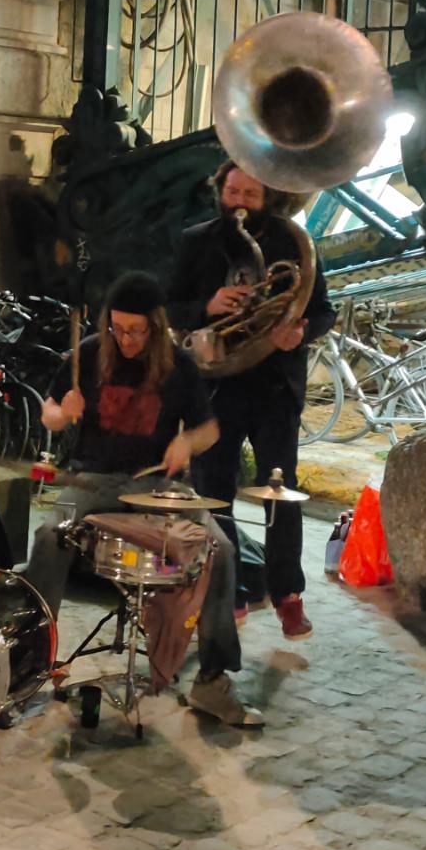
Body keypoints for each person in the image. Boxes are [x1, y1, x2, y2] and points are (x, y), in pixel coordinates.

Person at [20, 271, 262, 727]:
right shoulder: (90, 352)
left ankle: (212, 682)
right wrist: (61, 413)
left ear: (154, 325)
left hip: (155, 487)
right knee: (49, 536)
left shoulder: (178, 365)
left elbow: (209, 429)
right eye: (118, 328)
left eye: (135, 330)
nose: (126, 339)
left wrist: (187, 442)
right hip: (93, 481)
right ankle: (29, 662)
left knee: (221, 550)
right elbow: (48, 412)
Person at [167, 159, 333, 639]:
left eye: (250, 195)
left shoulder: (294, 243)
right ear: (219, 190)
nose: (238, 202)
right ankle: (229, 590)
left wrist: (299, 331)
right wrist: (207, 306)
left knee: (281, 493)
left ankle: (288, 596)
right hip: (216, 386)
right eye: (232, 192)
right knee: (212, 492)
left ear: (267, 199)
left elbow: (324, 312)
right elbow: (170, 307)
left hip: (274, 386)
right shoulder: (196, 241)